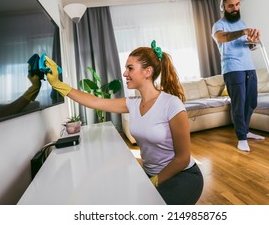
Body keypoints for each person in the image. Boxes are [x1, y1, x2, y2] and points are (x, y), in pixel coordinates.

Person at [44, 40, 204, 205]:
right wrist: (58, 85)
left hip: (182, 175)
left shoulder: (172, 104)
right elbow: (95, 102)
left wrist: (153, 182)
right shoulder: (133, 104)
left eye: (130, 68)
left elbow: (183, 158)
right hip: (150, 174)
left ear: (147, 72)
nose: (125, 73)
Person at [212, 0, 265, 152]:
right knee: (239, 104)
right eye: (230, 6)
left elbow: (247, 45)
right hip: (233, 68)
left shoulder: (242, 22)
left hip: (249, 66)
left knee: (251, 102)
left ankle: (246, 131)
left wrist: (253, 42)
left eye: (237, 4)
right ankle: (241, 138)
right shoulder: (219, 25)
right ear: (224, 8)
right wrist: (243, 32)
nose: (235, 8)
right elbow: (222, 38)